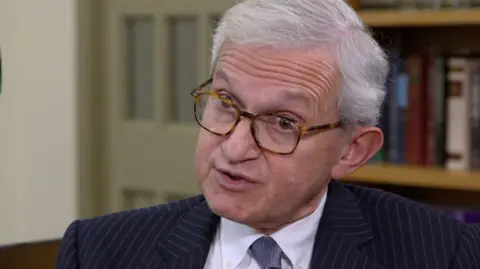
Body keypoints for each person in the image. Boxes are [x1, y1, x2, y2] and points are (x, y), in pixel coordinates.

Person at [55, 0, 480, 268]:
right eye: (226, 102)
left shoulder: (445, 254)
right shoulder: (96, 250)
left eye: (283, 123)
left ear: (352, 150)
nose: (234, 148)